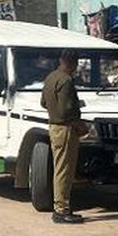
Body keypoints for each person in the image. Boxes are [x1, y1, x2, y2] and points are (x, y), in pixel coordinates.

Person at [41, 51, 89, 224]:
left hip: (54, 126)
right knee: (64, 171)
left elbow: (44, 103)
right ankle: (61, 209)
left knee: (59, 168)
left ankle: (60, 206)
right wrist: (79, 125)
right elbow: (66, 110)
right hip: (65, 129)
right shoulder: (66, 81)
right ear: (72, 63)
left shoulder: (51, 78)